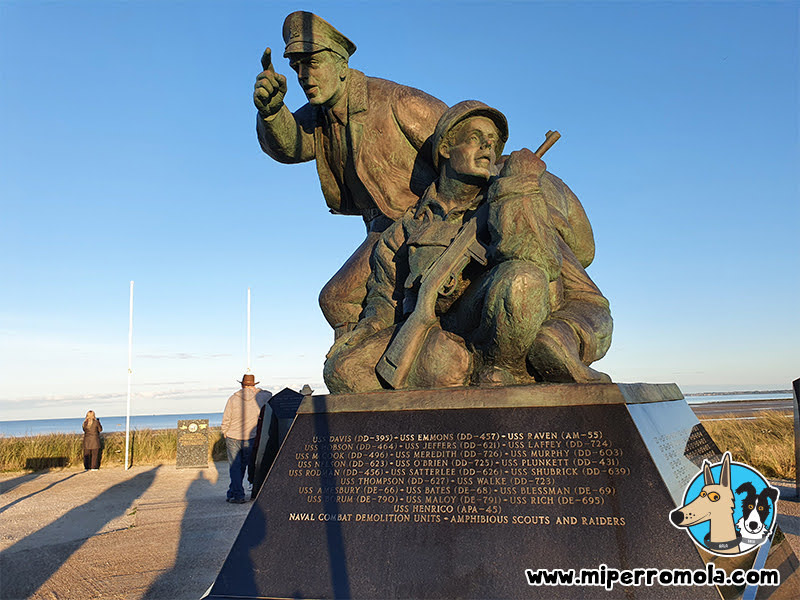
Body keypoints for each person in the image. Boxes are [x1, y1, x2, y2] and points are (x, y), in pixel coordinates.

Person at [324, 101, 612, 393]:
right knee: (342, 372)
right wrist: (368, 327)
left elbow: (534, 259)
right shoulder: (405, 227)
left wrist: (520, 184)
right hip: (428, 327)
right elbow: (385, 297)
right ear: (447, 148)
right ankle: (449, 363)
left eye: (493, 143)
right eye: (476, 139)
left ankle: (499, 371)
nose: (488, 148)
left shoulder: (506, 199)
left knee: (521, 281)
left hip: (487, 331)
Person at [253, 11, 447, 339]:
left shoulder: (395, 100)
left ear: (342, 65)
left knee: (338, 299)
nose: (302, 75)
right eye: (296, 65)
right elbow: (290, 147)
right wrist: (272, 111)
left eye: (311, 62)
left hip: (427, 223)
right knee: (339, 301)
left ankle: (370, 364)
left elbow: (458, 141)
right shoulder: (321, 116)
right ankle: (364, 370)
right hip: (383, 231)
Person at [221, 374, 271, 503]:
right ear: (254, 385)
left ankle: (237, 494)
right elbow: (270, 394)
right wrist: (258, 391)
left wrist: (224, 431)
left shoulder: (233, 398)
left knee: (235, 466)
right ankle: (232, 492)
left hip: (233, 435)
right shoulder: (260, 397)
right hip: (250, 437)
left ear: (242, 384)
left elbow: (227, 417)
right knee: (242, 466)